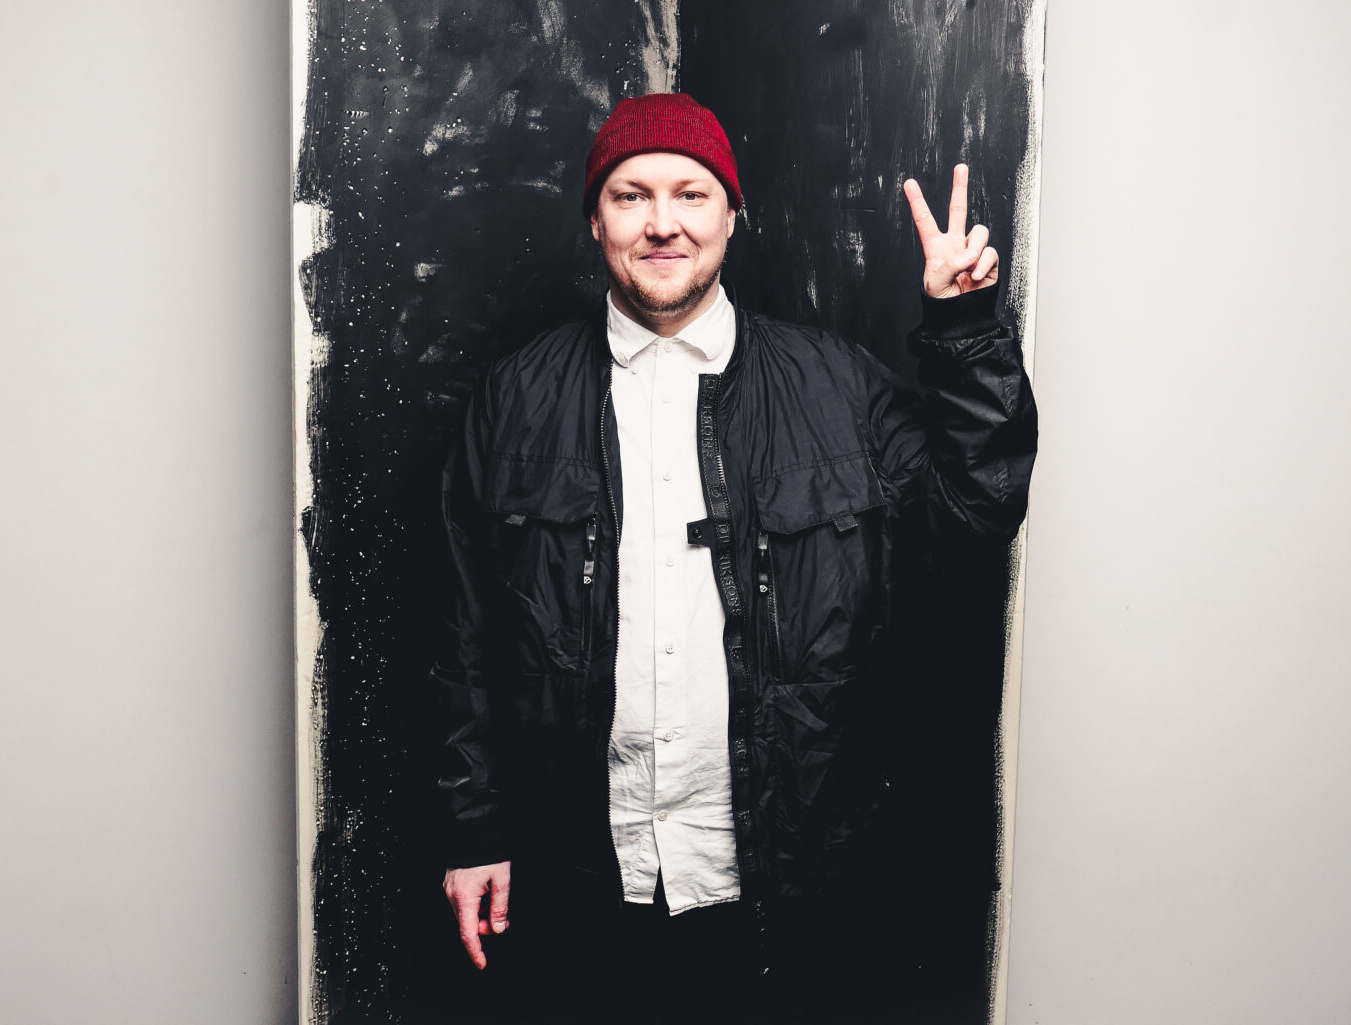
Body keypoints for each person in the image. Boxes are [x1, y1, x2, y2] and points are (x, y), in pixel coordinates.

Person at [431, 92, 1037, 1023]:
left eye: (691, 194)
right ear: (595, 221)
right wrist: (474, 829)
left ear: (731, 215)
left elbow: (976, 511)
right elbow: (465, 632)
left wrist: (963, 330)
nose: (662, 223)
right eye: (631, 196)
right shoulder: (514, 399)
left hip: (792, 883)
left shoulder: (836, 386)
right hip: (579, 878)